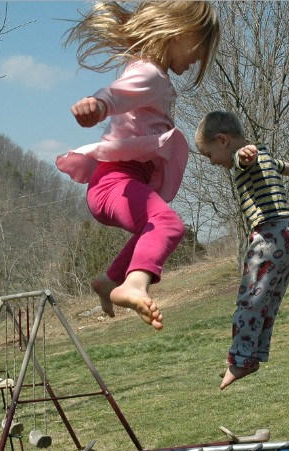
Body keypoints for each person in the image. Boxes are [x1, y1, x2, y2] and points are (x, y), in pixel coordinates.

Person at [56, 1, 220, 330]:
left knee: (154, 230)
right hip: (115, 182)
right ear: (180, 32)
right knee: (169, 226)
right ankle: (133, 284)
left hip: (117, 184)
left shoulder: (151, 73)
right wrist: (99, 105)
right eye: (199, 50)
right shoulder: (149, 73)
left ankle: (108, 280)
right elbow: (120, 94)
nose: (197, 60)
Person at [195, 111, 289, 390]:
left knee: (249, 301)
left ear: (223, 140)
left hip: (269, 236)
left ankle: (241, 359)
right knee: (267, 302)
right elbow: (288, 167)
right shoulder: (266, 156)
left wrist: (245, 153)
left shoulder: (246, 159)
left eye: (209, 155)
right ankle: (254, 354)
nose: (212, 162)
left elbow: (242, 157)